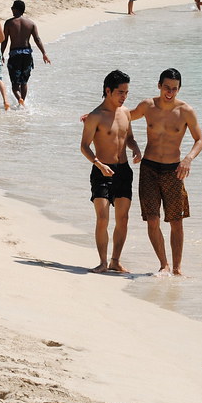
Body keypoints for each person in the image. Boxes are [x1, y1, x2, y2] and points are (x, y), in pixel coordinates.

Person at [126, 69, 202, 275]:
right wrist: (99, 114)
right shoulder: (147, 106)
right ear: (159, 85)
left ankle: (177, 268)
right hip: (149, 168)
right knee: (152, 219)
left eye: (174, 89)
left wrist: (188, 159)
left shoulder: (186, 111)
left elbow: (200, 140)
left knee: (176, 221)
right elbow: (123, 116)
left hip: (173, 171)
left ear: (179, 89)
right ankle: (164, 264)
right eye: (167, 87)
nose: (170, 92)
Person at [80, 70, 141, 273]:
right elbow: (84, 146)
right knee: (103, 217)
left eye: (126, 92)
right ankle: (102, 262)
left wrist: (136, 148)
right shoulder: (95, 116)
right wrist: (99, 164)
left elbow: (129, 137)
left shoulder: (126, 114)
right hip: (102, 171)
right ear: (108, 91)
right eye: (120, 92)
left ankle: (115, 260)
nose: (124, 97)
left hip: (123, 170)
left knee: (123, 218)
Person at [1, 0, 51, 106]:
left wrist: (1, 54)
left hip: (15, 55)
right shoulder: (31, 23)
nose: (11, 10)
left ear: (15, 9)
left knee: (15, 85)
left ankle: (20, 100)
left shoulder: (9, 23)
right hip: (27, 54)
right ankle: (22, 102)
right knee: (24, 82)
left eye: (12, 8)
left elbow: (5, 40)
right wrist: (44, 53)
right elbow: (37, 39)